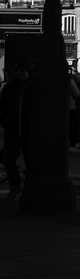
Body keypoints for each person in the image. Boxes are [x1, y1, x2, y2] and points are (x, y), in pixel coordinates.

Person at [0, 60, 33, 201]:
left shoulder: (34, 87)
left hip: (28, 130)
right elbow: (2, 106)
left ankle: (29, 187)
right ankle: (15, 185)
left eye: (23, 70)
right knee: (8, 158)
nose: (20, 73)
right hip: (12, 129)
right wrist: (5, 122)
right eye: (18, 70)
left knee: (31, 160)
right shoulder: (9, 88)